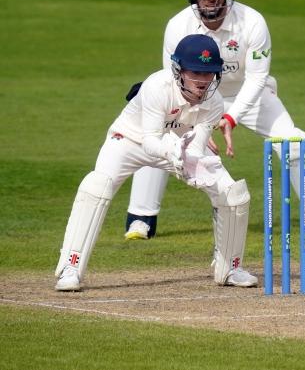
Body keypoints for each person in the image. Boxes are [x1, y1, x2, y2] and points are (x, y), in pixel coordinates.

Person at [124, 0, 305, 241]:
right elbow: (174, 80)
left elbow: (257, 78)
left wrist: (230, 117)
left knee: (297, 145)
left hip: (248, 96)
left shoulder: (252, 22)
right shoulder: (178, 26)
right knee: (158, 139)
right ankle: (141, 218)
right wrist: (198, 124)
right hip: (196, 98)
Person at [55, 35, 258, 291]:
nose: (202, 80)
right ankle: (70, 267)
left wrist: (192, 160)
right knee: (98, 185)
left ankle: (230, 268)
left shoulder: (214, 102)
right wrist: (173, 151)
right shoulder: (157, 87)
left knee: (232, 193)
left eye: (208, 73)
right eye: (195, 72)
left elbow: (196, 146)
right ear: (179, 70)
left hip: (180, 146)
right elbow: (150, 141)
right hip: (130, 140)